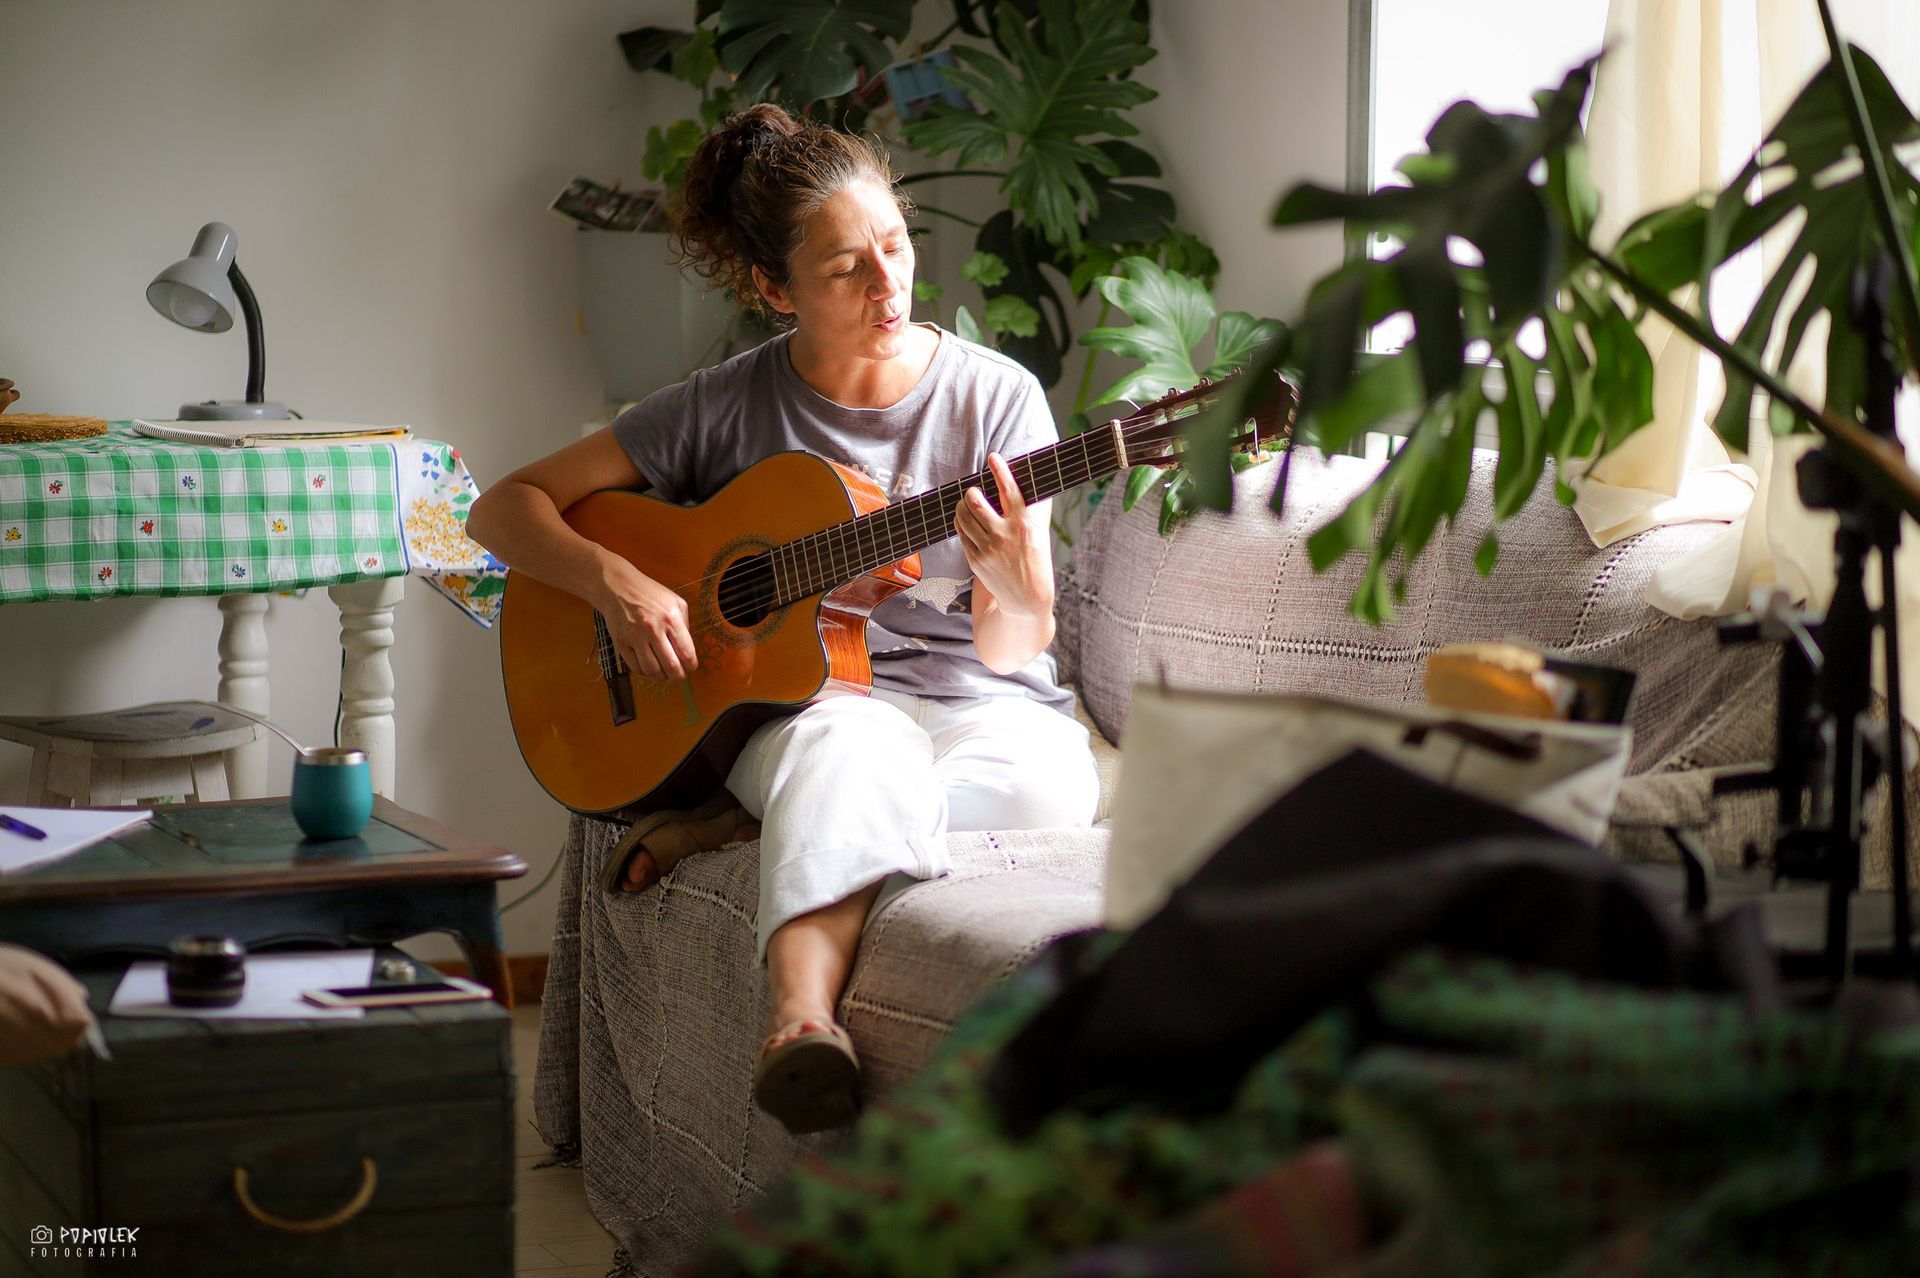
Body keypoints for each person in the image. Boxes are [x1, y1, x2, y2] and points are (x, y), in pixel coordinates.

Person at [467, 104, 1099, 1134]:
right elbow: (503, 508)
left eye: (894, 246)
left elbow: (1008, 650)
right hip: (823, 710)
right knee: (852, 750)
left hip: (986, 709)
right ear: (775, 289)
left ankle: (739, 824)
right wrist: (612, 582)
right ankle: (802, 1022)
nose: (887, 284)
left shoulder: (999, 402)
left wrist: (1022, 585)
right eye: (846, 266)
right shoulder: (721, 406)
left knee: (1048, 793)